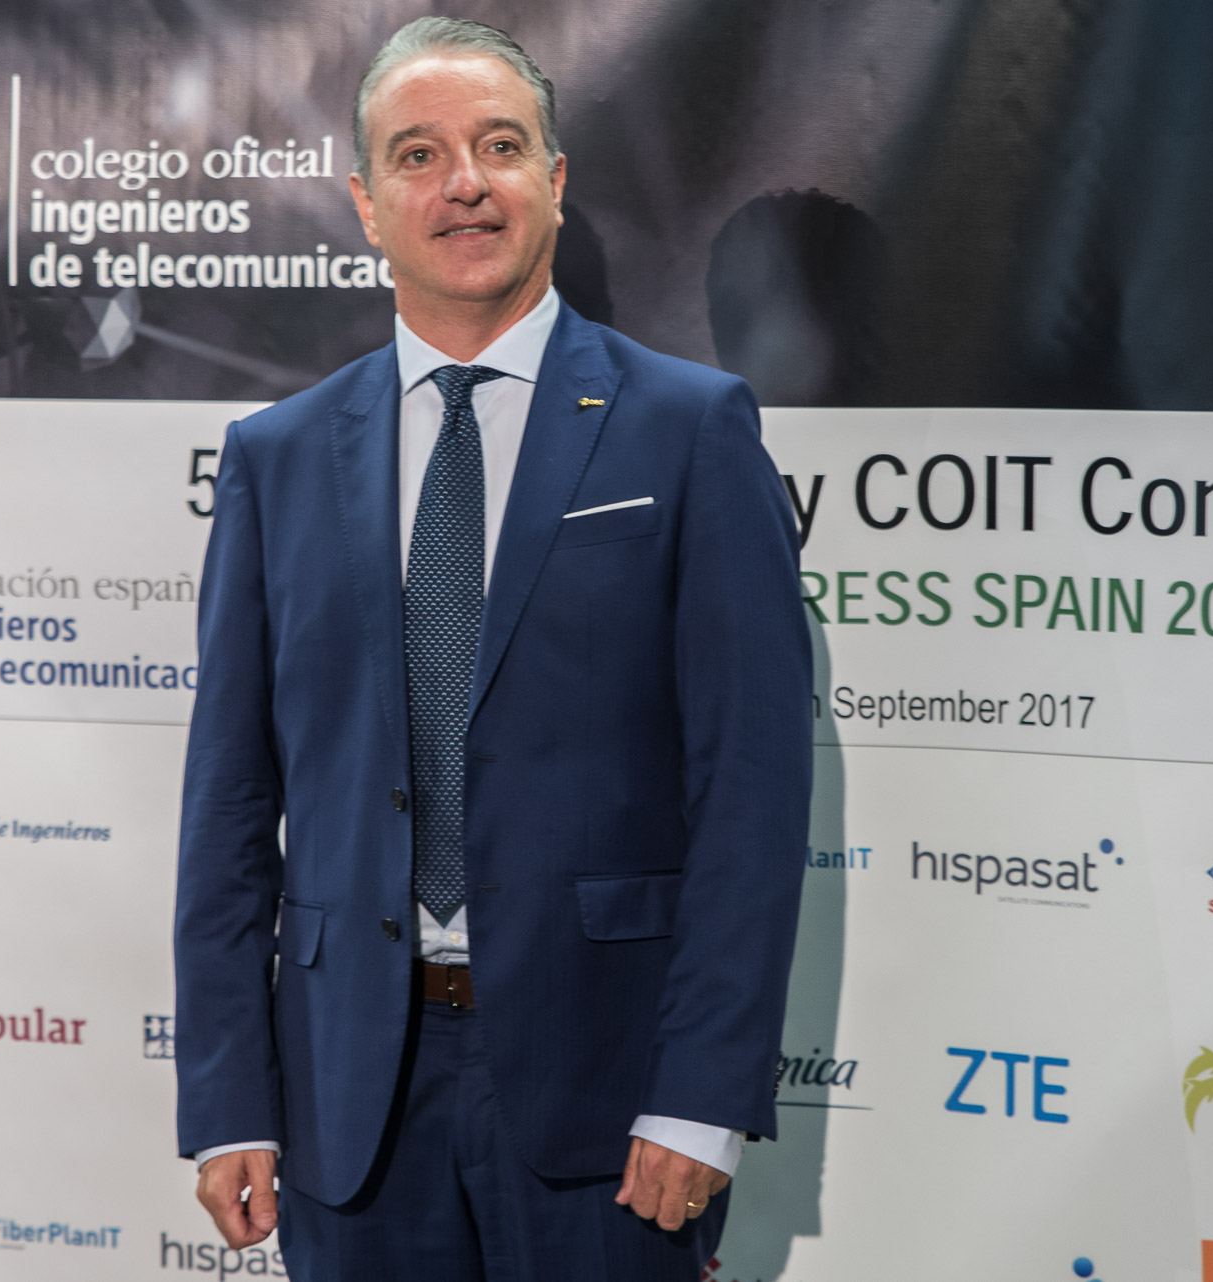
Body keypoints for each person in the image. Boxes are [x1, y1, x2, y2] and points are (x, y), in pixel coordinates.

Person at [172, 18, 813, 1281]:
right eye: (418, 155)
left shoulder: (689, 431)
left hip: (611, 1099)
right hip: (349, 1100)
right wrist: (229, 1096)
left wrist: (700, 1095)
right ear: (367, 204)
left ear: (555, 181)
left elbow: (750, 788)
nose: (463, 182)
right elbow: (230, 807)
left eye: (500, 147)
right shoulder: (276, 458)